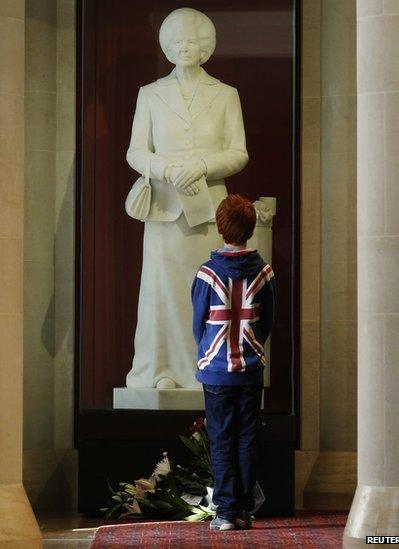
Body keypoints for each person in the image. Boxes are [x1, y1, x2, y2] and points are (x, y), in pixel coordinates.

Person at [125, 8, 249, 390]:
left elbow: (238, 153)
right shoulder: (150, 94)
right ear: (166, 47)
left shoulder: (226, 95)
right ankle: (161, 370)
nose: (184, 48)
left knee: (207, 293)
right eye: (177, 41)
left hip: (209, 214)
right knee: (164, 296)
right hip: (165, 212)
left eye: (192, 41)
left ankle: (205, 368)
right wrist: (166, 170)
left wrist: (199, 165)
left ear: (206, 48)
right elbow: (136, 152)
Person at [191, 194, 276, 531]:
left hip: (216, 371)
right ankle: (243, 510)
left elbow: (199, 322)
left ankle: (225, 512)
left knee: (222, 438)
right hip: (250, 369)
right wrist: (250, 348)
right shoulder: (264, 271)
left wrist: (209, 352)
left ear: (221, 227)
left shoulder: (207, 273)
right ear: (251, 227)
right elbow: (267, 320)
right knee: (246, 438)